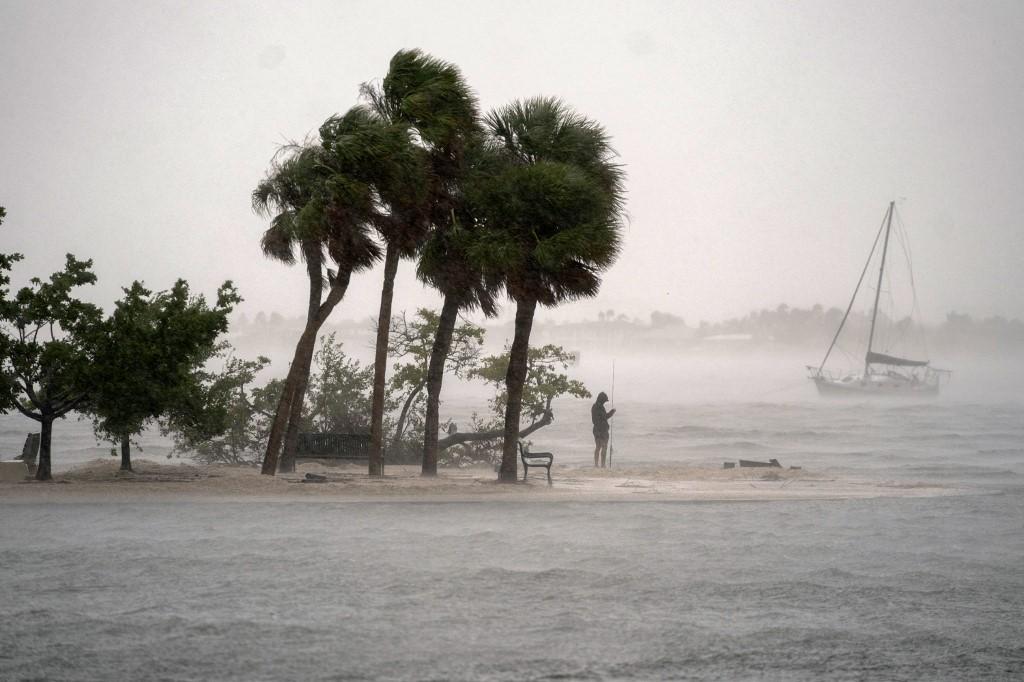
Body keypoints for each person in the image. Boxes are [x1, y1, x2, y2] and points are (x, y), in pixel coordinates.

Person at [591, 392, 616, 468]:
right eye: (604, 400)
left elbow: (600, 418)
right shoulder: (599, 407)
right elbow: (605, 417)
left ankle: (596, 465)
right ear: (602, 400)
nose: (605, 402)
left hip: (597, 430)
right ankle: (602, 465)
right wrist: (612, 412)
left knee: (598, 447)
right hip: (602, 431)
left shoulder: (595, 406)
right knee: (604, 447)